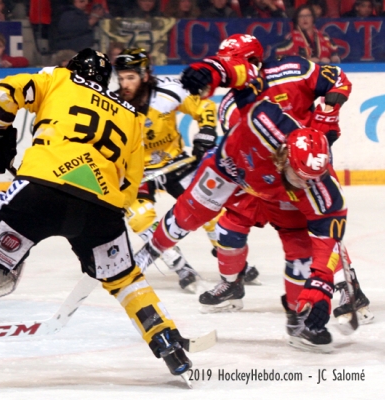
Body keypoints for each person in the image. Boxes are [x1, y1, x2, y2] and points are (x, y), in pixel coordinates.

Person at [0, 48, 195, 393]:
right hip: (103, 206)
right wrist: (106, 220)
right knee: (125, 278)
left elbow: (8, 89)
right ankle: (168, 343)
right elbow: (130, 183)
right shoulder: (132, 115)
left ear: (73, 68)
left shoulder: (59, 77)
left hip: (42, 189)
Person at [151, 34, 371, 348]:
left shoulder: (293, 69)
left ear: (253, 60)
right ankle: (232, 284)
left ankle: (344, 288)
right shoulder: (230, 105)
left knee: (319, 230)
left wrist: (329, 113)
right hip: (260, 178)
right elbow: (236, 154)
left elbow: (337, 80)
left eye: (238, 59)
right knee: (229, 231)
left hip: (304, 165)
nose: (232, 66)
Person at [114, 48, 242, 292]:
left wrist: (206, 130)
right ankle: (180, 266)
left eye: (130, 77)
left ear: (144, 75)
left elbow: (203, 107)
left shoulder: (169, 89)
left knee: (211, 210)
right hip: (137, 172)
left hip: (175, 163)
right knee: (140, 218)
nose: (124, 84)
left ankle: (229, 259)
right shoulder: (114, 102)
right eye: (121, 78)